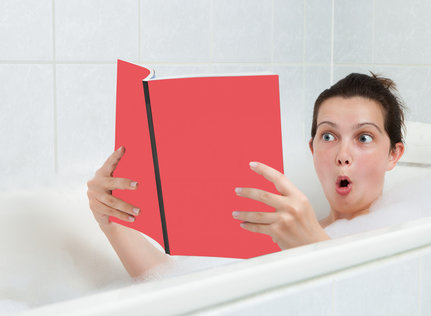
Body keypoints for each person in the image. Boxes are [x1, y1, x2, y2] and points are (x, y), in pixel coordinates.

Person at [87, 73, 405, 278]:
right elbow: (180, 289)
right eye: (328, 136)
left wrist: (315, 246)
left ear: (394, 155)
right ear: (311, 148)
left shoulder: (405, 237)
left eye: (364, 138)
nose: (342, 155)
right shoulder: (289, 229)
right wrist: (112, 221)